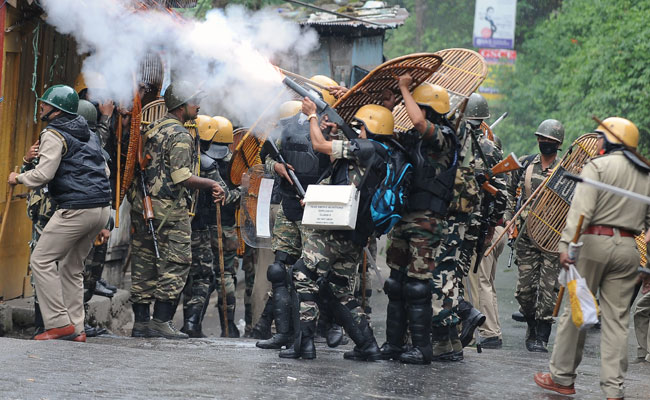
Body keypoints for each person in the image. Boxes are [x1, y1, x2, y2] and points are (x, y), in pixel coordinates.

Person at [534, 117, 650, 400]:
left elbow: (581, 210)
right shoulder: (647, 176)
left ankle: (561, 378)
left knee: (576, 312)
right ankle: (614, 390)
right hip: (627, 249)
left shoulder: (597, 166)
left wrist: (566, 244)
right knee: (617, 321)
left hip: (592, 244)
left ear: (612, 140)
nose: (598, 142)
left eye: (601, 137)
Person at [279, 99, 393, 361]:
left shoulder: (366, 147)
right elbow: (333, 154)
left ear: (372, 127)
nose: (358, 131)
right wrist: (331, 130)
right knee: (338, 289)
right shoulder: (379, 151)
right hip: (354, 230)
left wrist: (311, 116)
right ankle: (367, 345)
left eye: (361, 127)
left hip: (335, 230)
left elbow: (319, 146)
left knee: (302, 274)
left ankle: (304, 344)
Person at [8, 84, 111, 341]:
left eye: (45, 103)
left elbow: (44, 174)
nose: (41, 106)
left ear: (56, 109)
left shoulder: (53, 133)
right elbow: (105, 172)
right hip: (101, 209)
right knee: (72, 267)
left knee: (41, 260)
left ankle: (57, 323)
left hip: (76, 208)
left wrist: (17, 177)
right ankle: (77, 329)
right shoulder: (90, 133)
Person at [128, 81, 224, 339]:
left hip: (143, 207)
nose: (198, 105)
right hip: (169, 211)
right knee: (177, 263)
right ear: (182, 105)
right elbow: (182, 177)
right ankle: (160, 321)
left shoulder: (153, 128)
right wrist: (211, 183)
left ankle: (140, 323)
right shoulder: (180, 134)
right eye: (194, 101)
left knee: (143, 264)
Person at [382, 75, 457, 365]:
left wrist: (404, 89)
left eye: (418, 106)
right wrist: (389, 105)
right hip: (404, 215)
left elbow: (419, 124)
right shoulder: (415, 140)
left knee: (418, 285)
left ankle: (423, 348)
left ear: (429, 110)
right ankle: (393, 343)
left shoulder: (444, 137)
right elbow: (384, 136)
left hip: (426, 219)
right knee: (396, 283)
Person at [255, 100, 333, 349]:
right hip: (288, 208)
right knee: (279, 271)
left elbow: (339, 169)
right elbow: (265, 158)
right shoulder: (284, 132)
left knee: (314, 273)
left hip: (315, 211)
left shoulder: (328, 132)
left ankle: (322, 329)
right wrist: (276, 166)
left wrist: (319, 193)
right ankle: (283, 333)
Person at [505, 119, 564, 352]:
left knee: (548, 290)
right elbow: (509, 192)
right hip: (526, 237)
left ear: (558, 144)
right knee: (525, 291)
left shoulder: (565, 170)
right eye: (542, 139)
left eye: (550, 141)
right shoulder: (526, 164)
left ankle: (541, 335)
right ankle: (531, 323)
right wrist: (509, 218)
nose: (545, 143)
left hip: (553, 238)